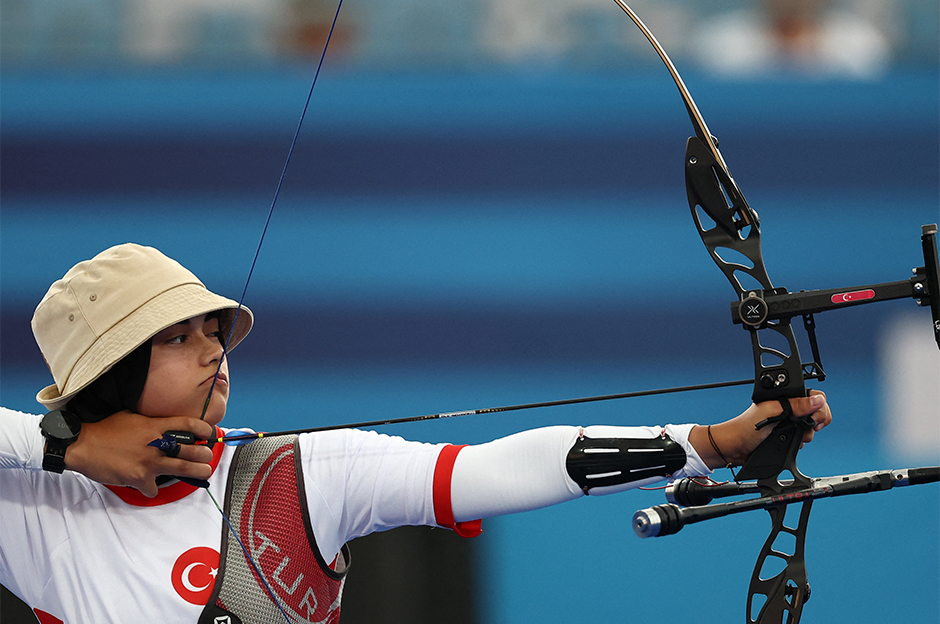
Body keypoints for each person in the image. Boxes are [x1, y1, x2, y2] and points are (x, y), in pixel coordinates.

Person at [0, 243, 831, 623]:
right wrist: (63, 450)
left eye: (212, 330)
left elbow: (501, 467)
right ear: (109, 379)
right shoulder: (30, 501)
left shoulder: (288, 475)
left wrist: (710, 444)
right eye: (177, 338)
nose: (214, 348)